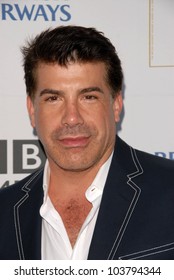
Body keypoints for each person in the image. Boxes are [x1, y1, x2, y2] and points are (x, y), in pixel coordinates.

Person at [0, 25, 174, 260]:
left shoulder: (168, 191)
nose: (72, 118)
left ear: (116, 104)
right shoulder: (4, 211)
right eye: (53, 98)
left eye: (89, 97)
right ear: (32, 110)